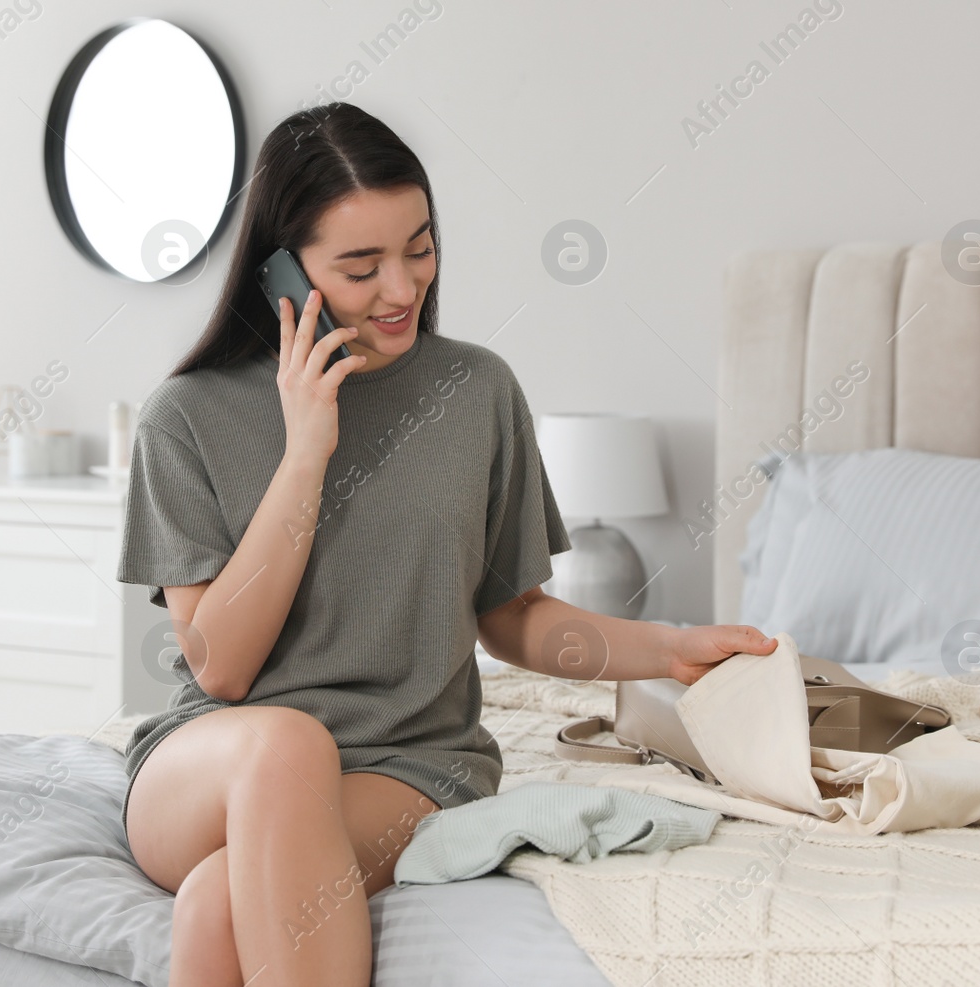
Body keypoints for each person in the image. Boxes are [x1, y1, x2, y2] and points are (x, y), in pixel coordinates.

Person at [116, 101, 775, 986]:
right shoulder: (185, 419)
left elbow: (512, 617)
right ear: (280, 269)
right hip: (210, 763)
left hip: (406, 764)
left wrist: (673, 647)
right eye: (361, 267)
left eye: (419, 248)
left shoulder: (475, 393)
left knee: (215, 904)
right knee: (284, 744)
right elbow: (223, 670)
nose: (402, 289)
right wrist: (306, 449)